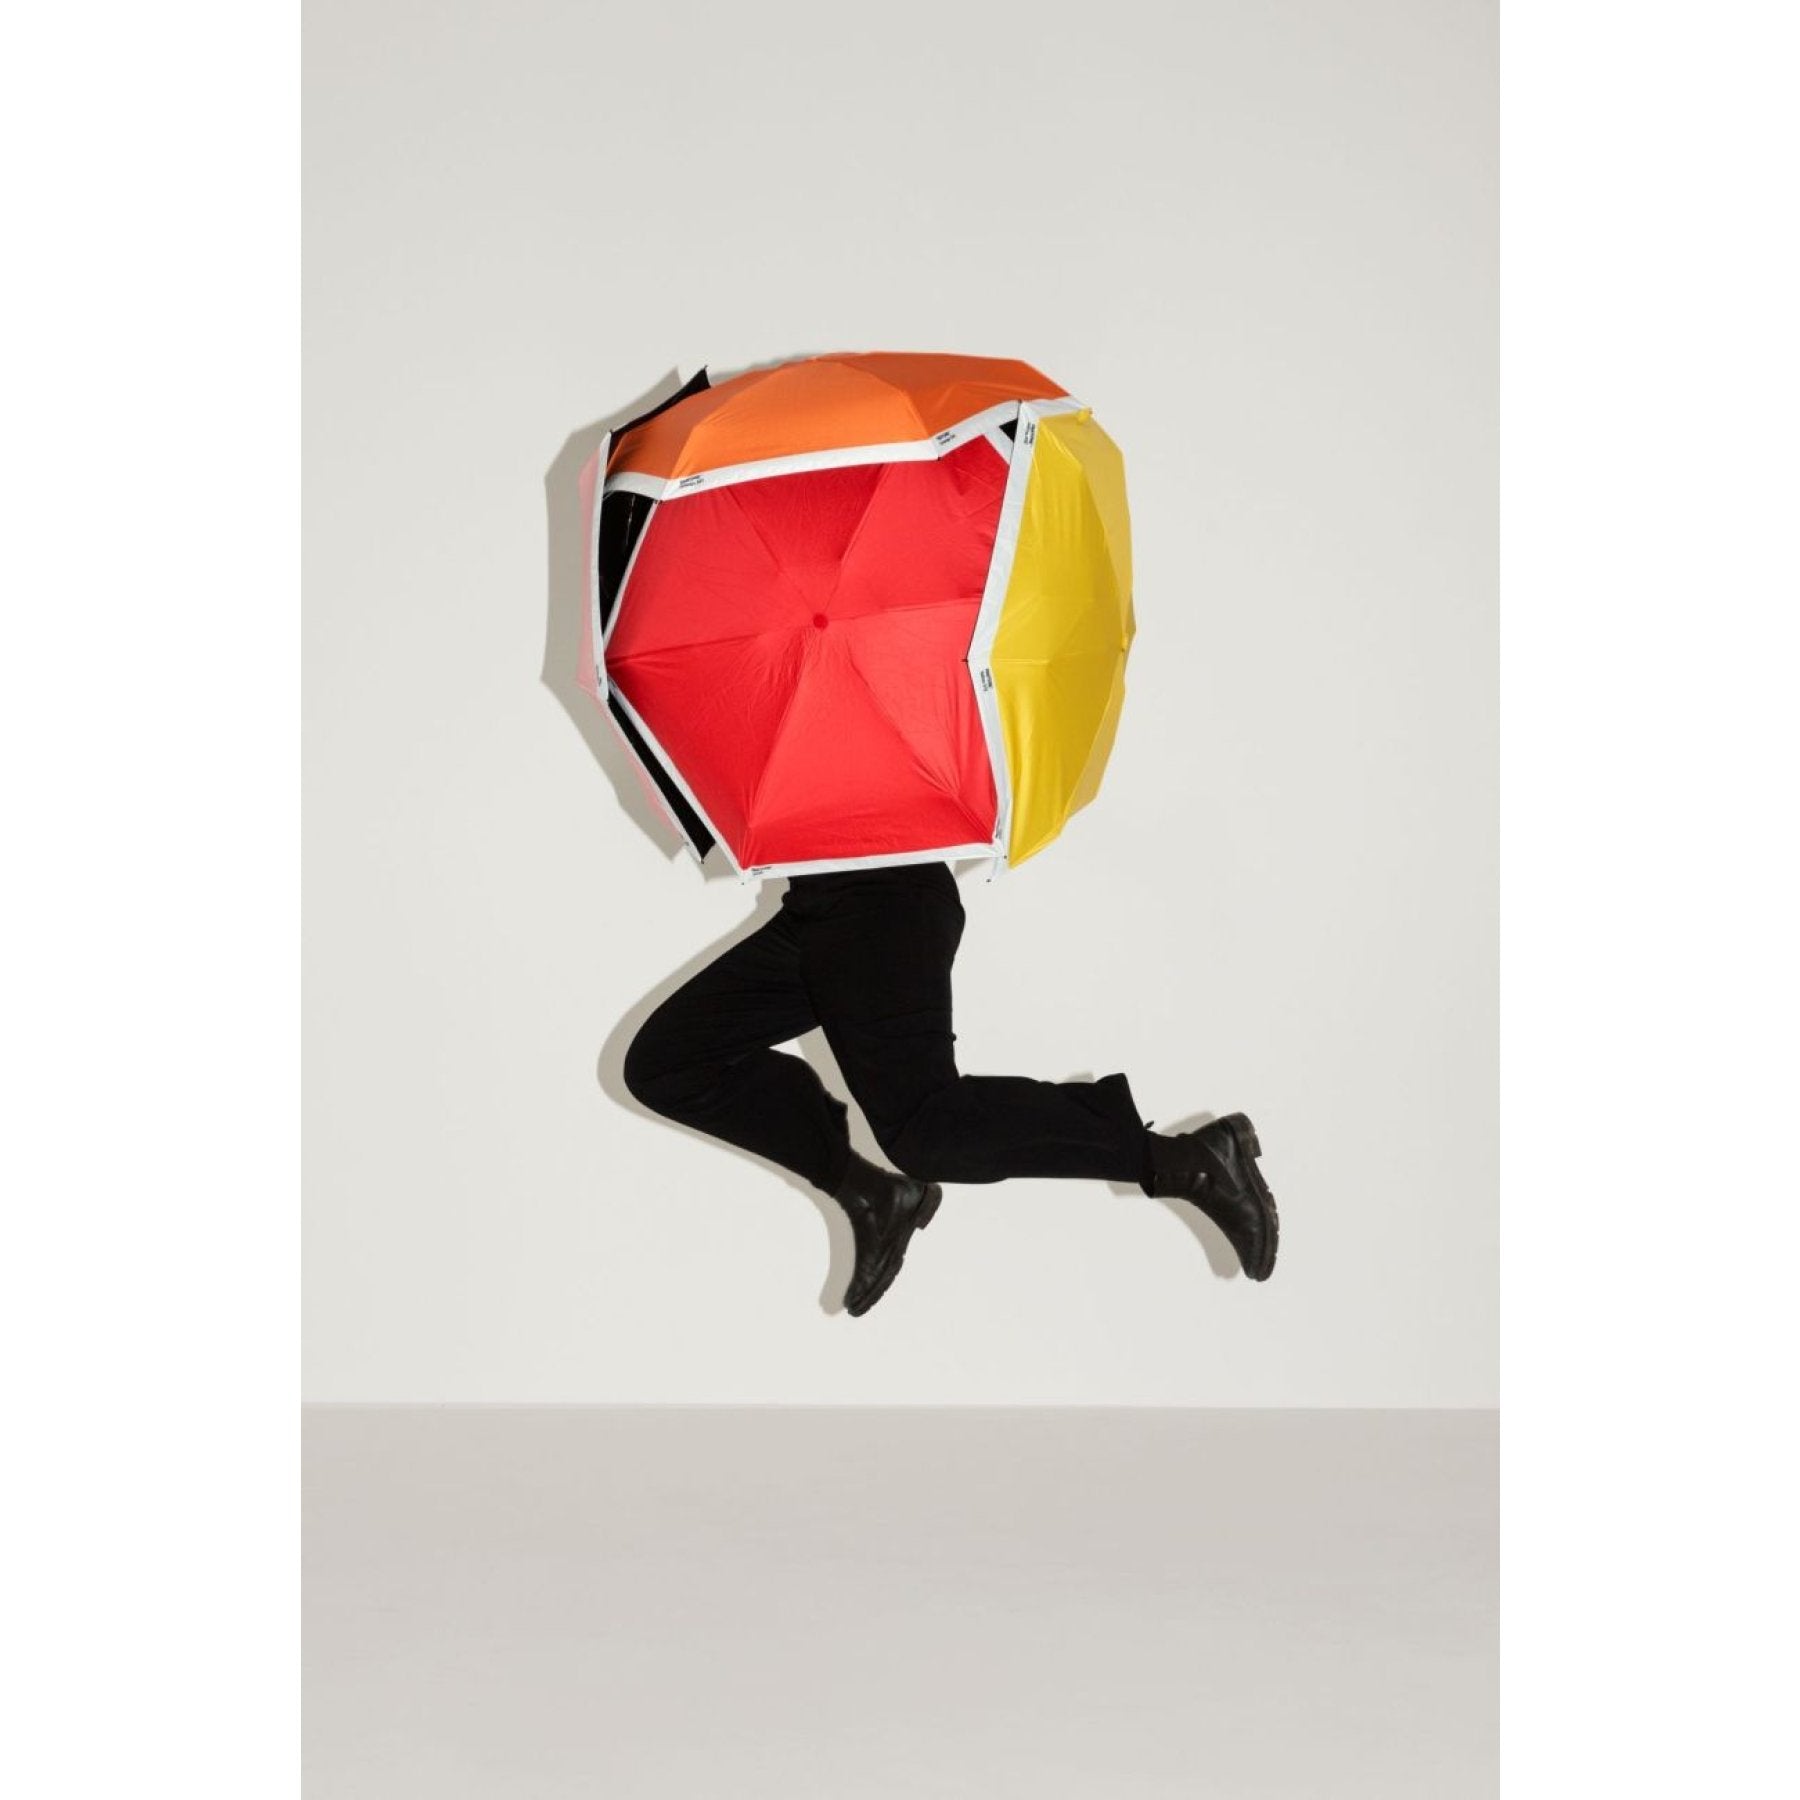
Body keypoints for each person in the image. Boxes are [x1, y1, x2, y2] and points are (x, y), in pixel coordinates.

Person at [622, 857, 1279, 1314]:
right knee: (667, 1062)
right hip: (819, 911)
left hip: (885, 903)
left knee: (928, 1132)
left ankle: (1189, 1160)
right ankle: (874, 1194)